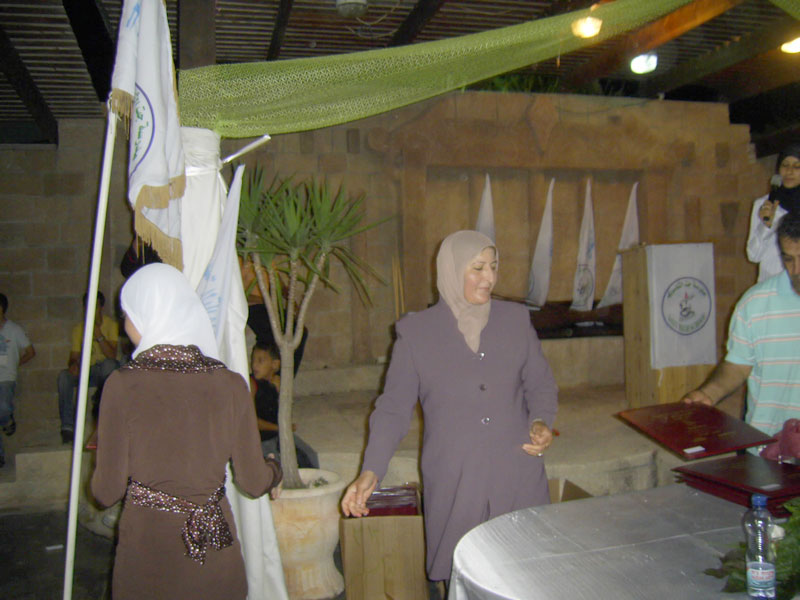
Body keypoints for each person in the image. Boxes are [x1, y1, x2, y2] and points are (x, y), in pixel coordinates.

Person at [341, 230, 558, 583]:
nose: (489, 277)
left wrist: (541, 421)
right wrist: (371, 470)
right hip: (455, 478)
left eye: (494, 266)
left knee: (526, 574)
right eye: (478, 268)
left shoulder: (516, 320)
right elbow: (393, 408)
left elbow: (540, 384)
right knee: (462, 576)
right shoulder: (417, 333)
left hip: (517, 473)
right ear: (452, 270)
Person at [91, 263, 282, 600]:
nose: (124, 324)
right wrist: (274, 471)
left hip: (148, 557)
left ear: (146, 317)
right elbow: (254, 482)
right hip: (214, 557)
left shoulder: (121, 385)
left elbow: (106, 492)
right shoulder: (230, 384)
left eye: (127, 314)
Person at [684, 214, 800, 437]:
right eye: (788, 259)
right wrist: (709, 393)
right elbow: (738, 366)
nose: (796, 270)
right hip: (767, 443)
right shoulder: (755, 303)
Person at [57, 291, 119, 443]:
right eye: (87, 306)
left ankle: (103, 414)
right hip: (87, 370)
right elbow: (74, 356)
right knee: (64, 377)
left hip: (105, 370)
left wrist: (98, 335)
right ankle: (67, 427)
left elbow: (112, 355)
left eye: (95, 306)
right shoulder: (79, 329)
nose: (90, 310)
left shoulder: (111, 325)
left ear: (101, 307)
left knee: (109, 365)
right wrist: (73, 364)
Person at [250, 340, 319, 468]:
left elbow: (285, 412)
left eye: (260, 361)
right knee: (276, 466)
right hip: (260, 439)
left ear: (275, 365)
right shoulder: (251, 384)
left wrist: (281, 391)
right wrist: (280, 428)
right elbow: (251, 420)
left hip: (279, 434)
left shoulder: (277, 382)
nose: (254, 365)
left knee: (309, 456)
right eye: (253, 360)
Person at [747, 143, 800, 282]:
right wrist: (765, 226)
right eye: (785, 165)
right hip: (772, 287)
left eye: (796, 167)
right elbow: (753, 256)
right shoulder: (763, 205)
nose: (789, 171)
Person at [0, 293, 35, 468]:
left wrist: (16, 363)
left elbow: (30, 351)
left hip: (6, 377)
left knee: (4, 407)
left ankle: (7, 420)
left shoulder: (14, 330)